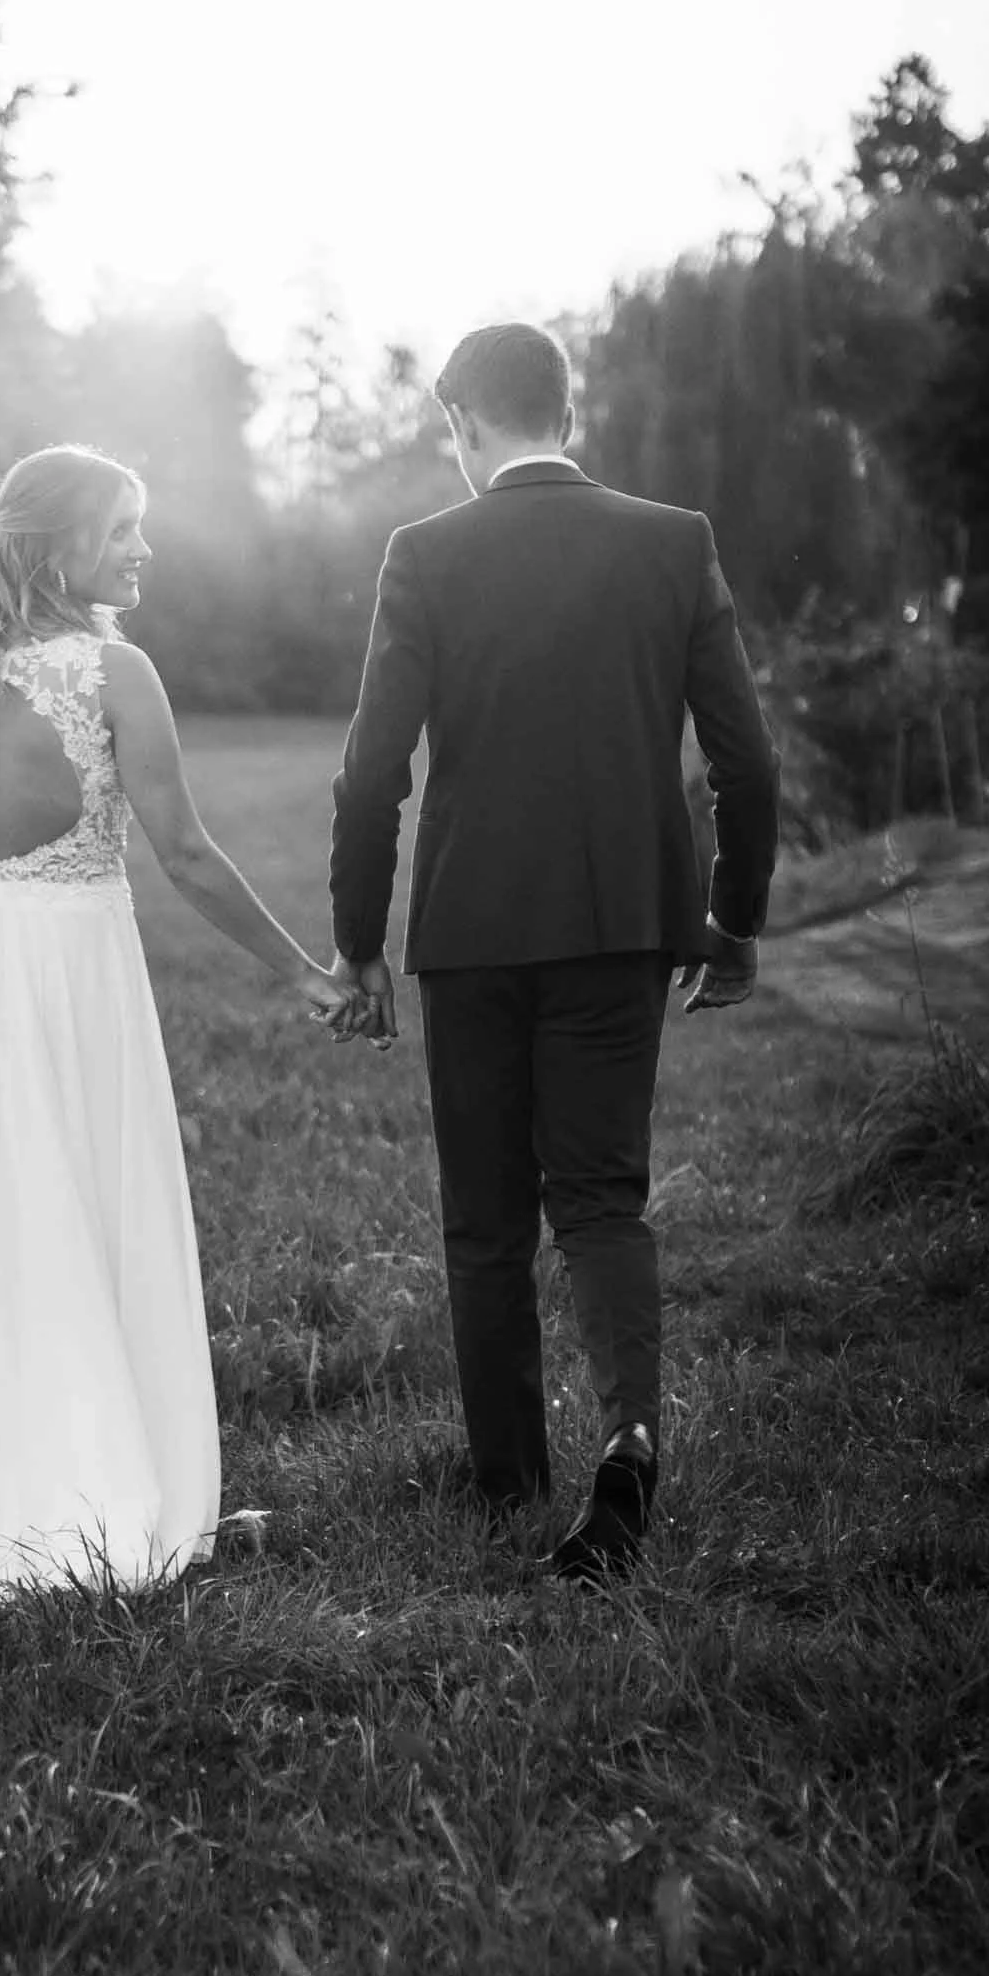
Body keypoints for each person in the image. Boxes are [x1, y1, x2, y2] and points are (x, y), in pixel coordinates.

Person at [0, 443, 358, 1602]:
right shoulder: (116, 671)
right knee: (85, 1203)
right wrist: (304, 972)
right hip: (69, 969)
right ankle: (115, 1494)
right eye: (123, 527)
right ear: (56, 540)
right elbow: (186, 852)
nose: (144, 547)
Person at [329, 323, 781, 1582]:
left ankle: (508, 1483)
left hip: (470, 932)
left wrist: (360, 942)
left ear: (464, 423)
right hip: (622, 922)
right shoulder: (671, 540)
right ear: (565, 412)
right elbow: (745, 760)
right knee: (599, 1197)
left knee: (485, 1219)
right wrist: (733, 916)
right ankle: (630, 1438)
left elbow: (372, 775)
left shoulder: (425, 552)